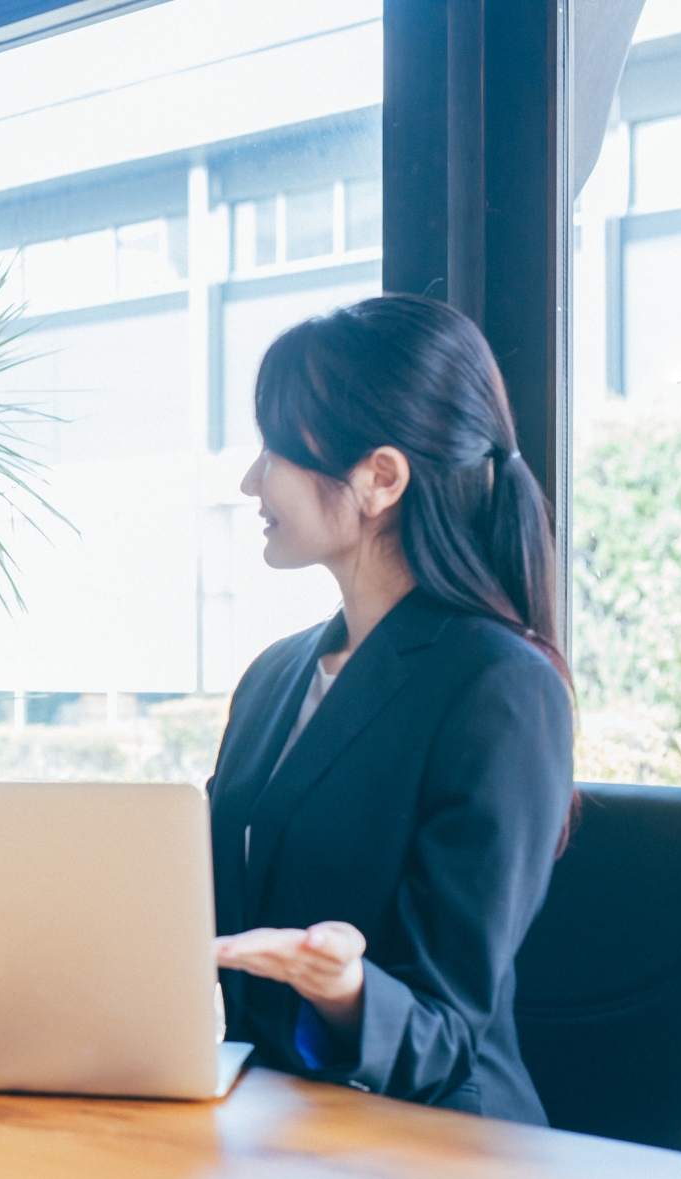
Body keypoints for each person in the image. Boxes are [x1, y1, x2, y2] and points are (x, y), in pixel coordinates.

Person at [207, 295, 572, 1122]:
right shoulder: (275, 675)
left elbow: (447, 1032)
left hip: (441, 1155)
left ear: (379, 477)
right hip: (276, 1125)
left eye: (275, 450)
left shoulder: (501, 688)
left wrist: (343, 988)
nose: (249, 480)